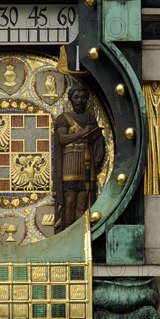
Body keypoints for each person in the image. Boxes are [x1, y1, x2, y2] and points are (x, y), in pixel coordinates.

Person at [54, 84, 105, 231]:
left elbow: (97, 139)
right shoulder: (63, 118)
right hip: (70, 164)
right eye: (76, 97)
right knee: (70, 200)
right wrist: (83, 133)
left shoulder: (90, 118)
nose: (80, 100)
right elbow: (62, 139)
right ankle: (68, 232)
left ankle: (79, 233)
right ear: (70, 99)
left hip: (87, 162)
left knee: (83, 202)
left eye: (83, 97)